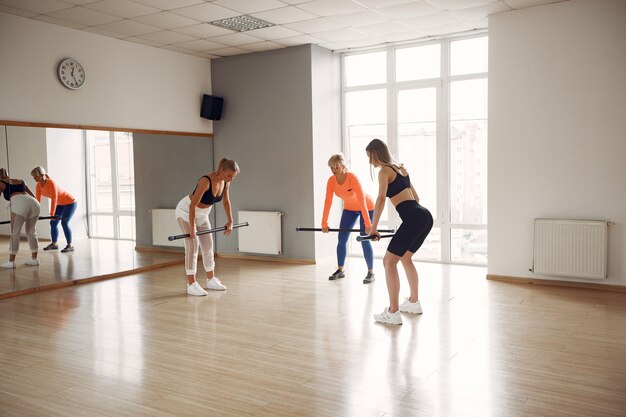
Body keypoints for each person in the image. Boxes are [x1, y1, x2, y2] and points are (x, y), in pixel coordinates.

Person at [366, 139, 433, 325]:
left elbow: (380, 200)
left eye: (369, 157)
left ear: (376, 153)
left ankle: (393, 312)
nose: (369, 162)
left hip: (413, 219)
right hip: (425, 216)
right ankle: (413, 302)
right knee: (405, 258)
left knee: (388, 261)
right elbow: (416, 198)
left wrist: (373, 228)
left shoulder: (384, 172)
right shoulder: (401, 168)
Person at [176, 158, 239, 296]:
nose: (231, 179)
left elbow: (226, 202)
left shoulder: (225, 182)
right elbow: (192, 205)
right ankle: (191, 284)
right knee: (193, 244)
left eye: (233, 177)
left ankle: (211, 279)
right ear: (221, 170)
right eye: (229, 175)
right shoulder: (206, 181)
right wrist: (192, 229)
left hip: (203, 214)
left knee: (208, 244)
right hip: (186, 212)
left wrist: (230, 221)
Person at [322, 153, 376, 284]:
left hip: (367, 207)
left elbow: (362, 199)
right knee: (342, 239)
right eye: (331, 168)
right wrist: (324, 222)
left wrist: (368, 224)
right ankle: (340, 270)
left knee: (364, 239)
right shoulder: (331, 181)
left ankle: (371, 272)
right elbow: (328, 202)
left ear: (343, 166)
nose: (334, 170)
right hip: (349, 209)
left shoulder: (352, 177)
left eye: (336, 167)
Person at [0, 168, 40, 268]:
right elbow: (33, 196)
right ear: (7, 174)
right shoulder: (20, 180)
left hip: (19, 202)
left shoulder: (0, 183)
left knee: (15, 232)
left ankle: (11, 262)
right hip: (34, 203)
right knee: (31, 231)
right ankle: (34, 259)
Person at [31, 166, 77, 253]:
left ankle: (70, 245)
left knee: (64, 222)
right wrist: (35, 213)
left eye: (35, 176)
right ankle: (54, 244)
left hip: (70, 203)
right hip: (60, 204)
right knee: (53, 223)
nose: (34, 178)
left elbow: (54, 199)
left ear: (41, 175)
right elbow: (37, 201)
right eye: (33, 177)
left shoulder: (51, 183)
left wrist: (52, 214)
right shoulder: (38, 186)